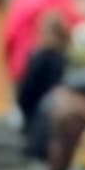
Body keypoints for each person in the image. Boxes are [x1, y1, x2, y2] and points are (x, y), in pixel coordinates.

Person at [4, 0, 78, 84]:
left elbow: (10, 34)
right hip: (52, 60)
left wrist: (9, 59)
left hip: (22, 62)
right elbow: (71, 19)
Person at [15, 9, 71, 150]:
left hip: (38, 116)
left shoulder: (40, 58)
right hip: (55, 116)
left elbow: (27, 90)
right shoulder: (62, 57)